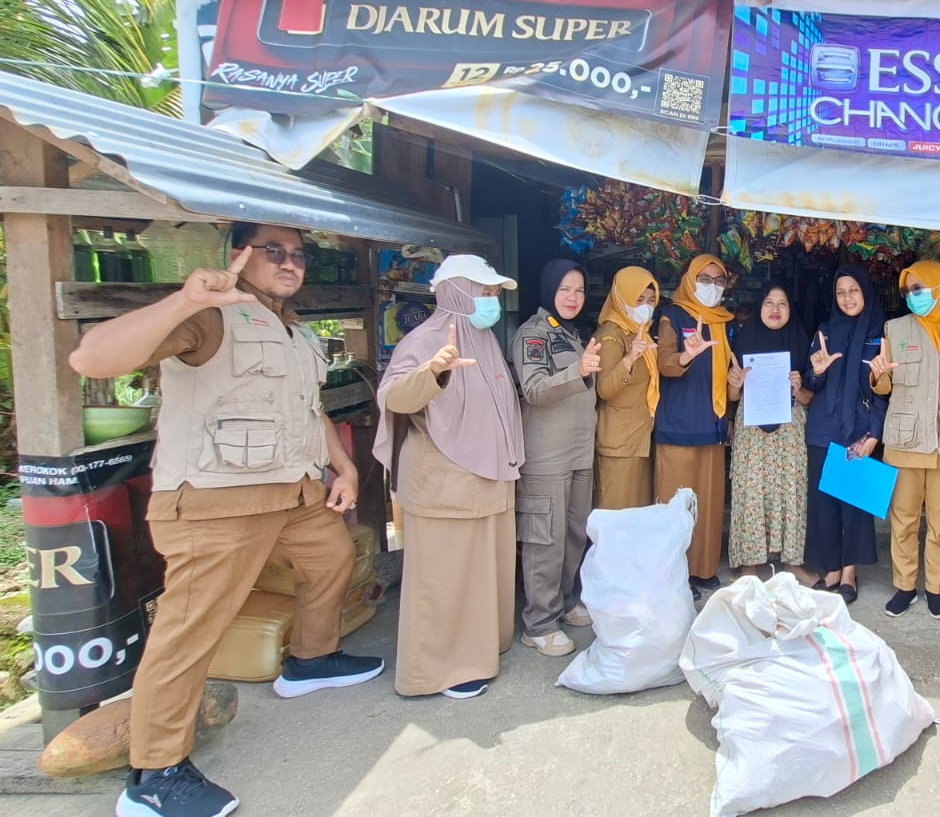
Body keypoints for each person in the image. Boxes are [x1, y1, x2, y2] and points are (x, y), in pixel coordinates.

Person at [70, 222, 383, 817]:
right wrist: (185, 300)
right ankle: (155, 774)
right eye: (273, 252)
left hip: (292, 493)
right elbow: (91, 358)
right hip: (217, 499)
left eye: (298, 255)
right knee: (191, 630)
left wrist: (341, 466)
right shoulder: (209, 316)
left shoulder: (292, 329)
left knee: (332, 557)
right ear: (240, 254)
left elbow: (307, 408)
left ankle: (311, 659)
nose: (289, 263)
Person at [374, 255, 524, 701]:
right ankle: (437, 670)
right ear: (456, 291)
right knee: (444, 579)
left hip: (486, 478)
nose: (492, 299)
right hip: (446, 480)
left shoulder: (483, 337)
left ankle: (478, 651)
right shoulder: (426, 339)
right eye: (484, 291)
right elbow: (394, 397)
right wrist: (433, 371)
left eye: (494, 292)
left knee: (478, 574)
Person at [870, 260, 940, 619]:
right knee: (903, 520)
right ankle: (904, 586)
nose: (911, 296)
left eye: (918, 289)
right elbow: (883, 386)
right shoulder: (896, 328)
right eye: (906, 291)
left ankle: (935, 588)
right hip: (905, 441)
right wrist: (878, 376)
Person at [513, 260, 603, 657]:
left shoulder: (569, 334)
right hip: (547, 454)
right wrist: (578, 370)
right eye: (565, 289)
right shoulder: (533, 334)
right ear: (550, 289)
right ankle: (539, 623)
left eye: (579, 290)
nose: (572, 297)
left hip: (579, 452)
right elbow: (534, 389)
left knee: (573, 533)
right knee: (545, 539)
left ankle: (565, 602)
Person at [655, 254, 742, 597]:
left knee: (707, 504)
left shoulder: (723, 320)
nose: (712, 286)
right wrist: (685, 356)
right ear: (690, 280)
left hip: (712, 425)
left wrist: (730, 410)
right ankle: (674, 576)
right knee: (675, 506)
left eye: (718, 281)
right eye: (704, 279)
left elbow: (728, 372)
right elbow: (665, 363)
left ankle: (702, 569)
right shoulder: (672, 316)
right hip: (678, 423)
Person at [802, 264, 887, 603]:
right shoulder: (825, 331)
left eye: (853, 290)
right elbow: (809, 382)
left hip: (860, 429)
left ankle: (850, 571)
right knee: (823, 504)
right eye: (840, 292)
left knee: (854, 504)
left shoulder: (881, 333)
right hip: (823, 426)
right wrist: (817, 372)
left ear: (865, 291)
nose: (847, 298)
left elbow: (886, 390)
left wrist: (875, 432)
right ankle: (831, 568)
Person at [728, 282, 814, 577]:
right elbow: (732, 397)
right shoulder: (743, 341)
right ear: (759, 306)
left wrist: (799, 389)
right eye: (769, 303)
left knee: (791, 491)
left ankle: (792, 561)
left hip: (790, 430)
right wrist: (735, 385)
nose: (775, 309)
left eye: (782, 303)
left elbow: (810, 398)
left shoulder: (801, 342)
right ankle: (748, 565)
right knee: (751, 492)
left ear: (791, 309)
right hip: (752, 430)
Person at [593, 266, 660, 510]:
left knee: (636, 517)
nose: (645, 306)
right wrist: (630, 359)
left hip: (638, 440)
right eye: (638, 299)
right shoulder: (611, 334)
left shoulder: (640, 333)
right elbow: (604, 390)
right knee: (616, 517)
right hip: (619, 444)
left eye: (651, 301)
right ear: (621, 298)